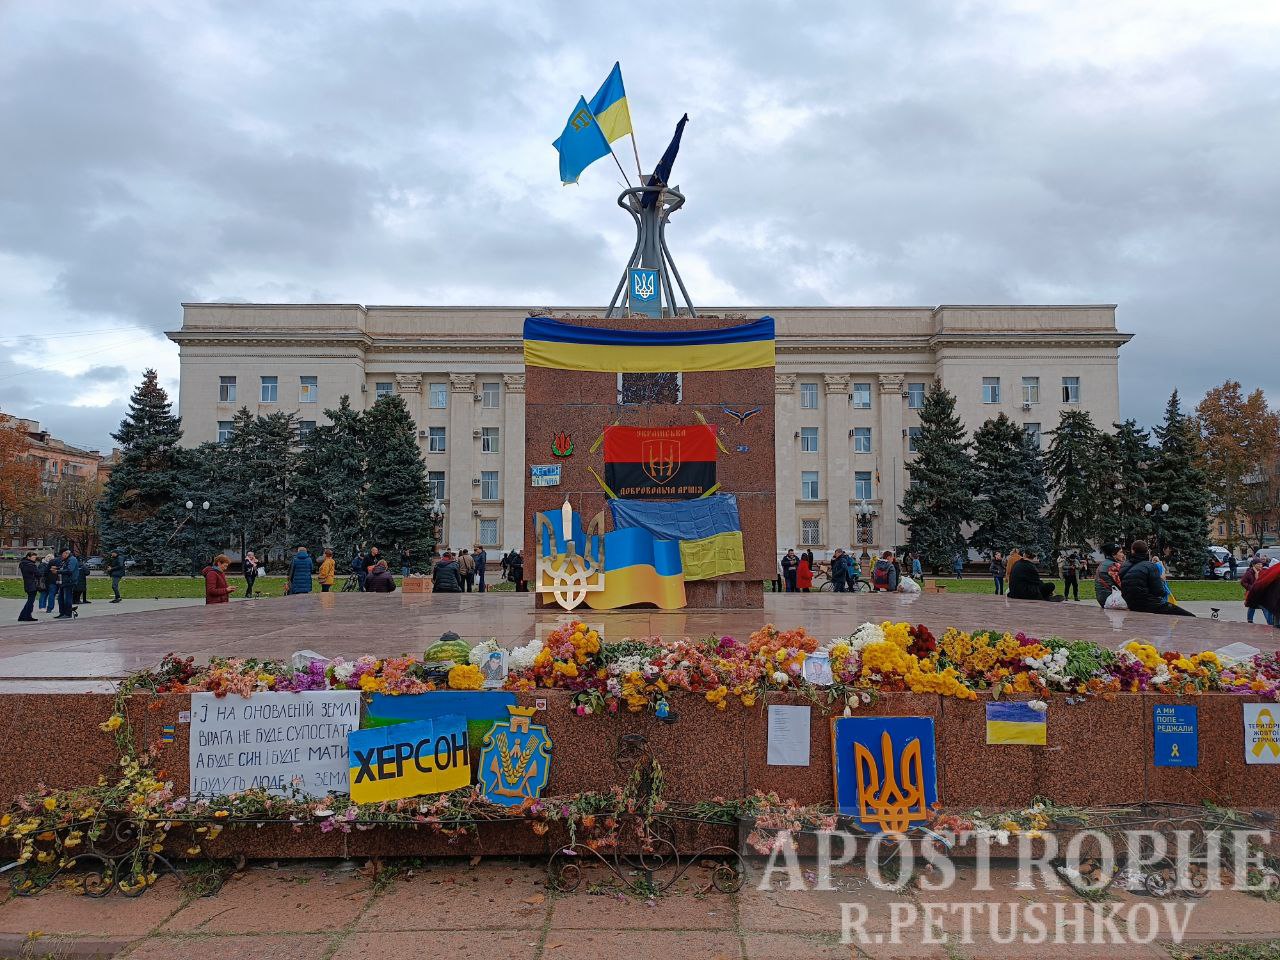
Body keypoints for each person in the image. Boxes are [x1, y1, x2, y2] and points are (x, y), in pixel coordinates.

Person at [1120, 540, 1194, 616]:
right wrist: (1162, 580)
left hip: (1130, 603)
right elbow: (1158, 591)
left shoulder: (1124, 566)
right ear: (1147, 551)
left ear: (1132, 551)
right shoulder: (1150, 566)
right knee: (1189, 615)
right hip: (1147, 603)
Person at [1242, 558, 1274, 625]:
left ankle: (1270, 623)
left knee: (1264, 607)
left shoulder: (1263, 572)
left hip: (1261, 594)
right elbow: (1243, 582)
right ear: (1254, 565)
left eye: (1261, 564)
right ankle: (1250, 620)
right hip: (1253, 593)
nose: (1260, 566)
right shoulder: (1249, 572)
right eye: (1258, 564)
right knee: (1252, 606)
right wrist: (1251, 588)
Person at [55, 548, 79, 619]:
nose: (61, 556)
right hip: (63, 582)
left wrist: (57, 571)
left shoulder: (72, 559)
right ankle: (62, 613)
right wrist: (57, 568)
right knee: (60, 598)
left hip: (69, 582)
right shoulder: (66, 560)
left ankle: (68, 613)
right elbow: (64, 568)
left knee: (67, 598)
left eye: (62, 555)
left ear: (66, 553)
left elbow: (70, 570)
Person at [17, 550, 40, 622]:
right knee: (30, 601)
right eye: (33, 557)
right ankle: (27, 616)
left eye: (35, 557)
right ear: (28, 557)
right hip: (32, 584)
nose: (35, 559)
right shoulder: (30, 565)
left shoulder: (24, 563)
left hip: (27, 583)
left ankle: (23, 616)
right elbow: (38, 573)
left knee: (30, 600)